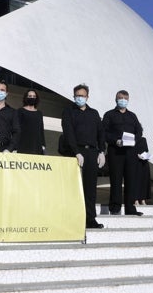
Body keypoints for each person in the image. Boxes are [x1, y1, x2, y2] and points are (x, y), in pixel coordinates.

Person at [62, 83, 106, 229]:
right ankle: (73, 218)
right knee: (74, 187)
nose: (79, 98)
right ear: (74, 96)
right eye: (77, 95)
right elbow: (69, 133)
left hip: (92, 152)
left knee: (90, 188)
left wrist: (101, 151)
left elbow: (101, 133)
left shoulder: (94, 113)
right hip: (76, 152)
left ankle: (90, 218)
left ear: (87, 97)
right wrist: (76, 151)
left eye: (82, 95)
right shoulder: (68, 112)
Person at [102, 90, 143, 216]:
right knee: (116, 180)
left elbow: (139, 131)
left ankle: (130, 208)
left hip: (130, 152)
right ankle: (115, 208)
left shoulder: (132, 116)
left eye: (125, 98)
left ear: (128, 100)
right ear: (116, 99)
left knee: (131, 180)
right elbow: (104, 132)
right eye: (120, 98)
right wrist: (115, 141)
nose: (123, 100)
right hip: (116, 151)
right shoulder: (109, 115)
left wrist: (135, 140)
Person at [16, 89, 45, 155]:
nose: (32, 98)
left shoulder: (39, 113)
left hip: (36, 145)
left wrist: (43, 145)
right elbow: (17, 129)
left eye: (34, 96)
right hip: (23, 144)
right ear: (26, 97)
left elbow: (41, 130)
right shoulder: (20, 111)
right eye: (30, 96)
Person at [134, 136, 152, 205]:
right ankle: (135, 199)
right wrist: (136, 155)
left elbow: (146, 150)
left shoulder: (143, 139)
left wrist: (146, 156)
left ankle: (143, 199)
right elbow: (129, 151)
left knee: (144, 181)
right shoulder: (131, 140)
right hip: (135, 163)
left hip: (144, 163)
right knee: (136, 181)